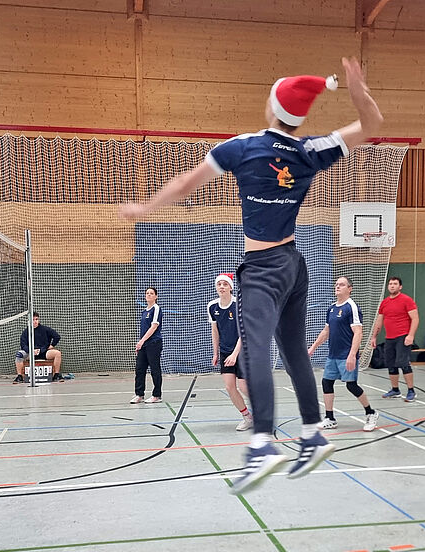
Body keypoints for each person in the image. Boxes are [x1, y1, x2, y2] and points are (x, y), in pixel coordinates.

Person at [120, 56, 383, 493]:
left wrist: (145, 208)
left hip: (262, 269)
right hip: (294, 264)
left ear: (273, 106)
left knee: (256, 349)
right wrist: (358, 89)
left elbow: (186, 184)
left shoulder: (244, 147)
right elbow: (371, 123)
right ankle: (312, 434)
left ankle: (262, 443)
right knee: (294, 350)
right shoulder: (310, 150)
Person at [308, 276, 378, 431]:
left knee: (351, 386)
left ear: (349, 288)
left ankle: (371, 413)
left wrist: (352, 355)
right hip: (333, 355)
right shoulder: (332, 308)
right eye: (336, 284)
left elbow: (358, 332)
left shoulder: (351, 307)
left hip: (346, 355)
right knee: (327, 383)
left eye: (341, 284)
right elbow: (326, 331)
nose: (337, 287)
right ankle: (330, 418)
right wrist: (312, 348)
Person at [207, 273, 253, 431]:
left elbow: (244, 332)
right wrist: (216, 353)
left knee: (243, 386)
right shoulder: (212, 306)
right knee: (229, 387)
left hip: (242, 350)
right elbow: (215, 331)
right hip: (226, 351)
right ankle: (247, 417)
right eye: (219, 284)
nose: (221, 287)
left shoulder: (238, 304)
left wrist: (235, 354)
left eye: (225, 284)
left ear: (231, 287)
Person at [369, 276, 419, 402]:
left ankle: (411, 391)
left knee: (403, 363)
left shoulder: (407, 300)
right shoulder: (384, 303)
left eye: (395, 284)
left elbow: (415, 318)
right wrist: (374, 337)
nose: (392, 286)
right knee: (391, 364)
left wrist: (411, 335)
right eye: (390, 284)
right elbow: (379, 321)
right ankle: (395, 390)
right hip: (389, 338)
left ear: (400, 287)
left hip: (403, 337)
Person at [130, 287, 163, 404]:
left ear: (156, 296)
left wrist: (142, 341)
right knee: (139, 369)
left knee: (154, 369)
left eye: (151, 293)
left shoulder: (156, 309)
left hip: (154, 343)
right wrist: (140, 343)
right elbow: (143, 330)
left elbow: (153, 327)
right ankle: (139, 394)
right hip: (143, 344)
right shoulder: (144, 312)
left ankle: (156, 395)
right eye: (147, 293)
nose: (149, 295)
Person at [13, 312, 64, 383]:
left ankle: (56, 375)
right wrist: (31, 351)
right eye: (33, 319)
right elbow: (23, 345)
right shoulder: (26, 332)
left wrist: (51, 345)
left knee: (57, 353)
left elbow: (57, 336)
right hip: (30, 354)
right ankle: (20, 376)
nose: (35, 321)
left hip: (44, 353)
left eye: (36, 319)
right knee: (19, 354)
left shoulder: (45, 329)